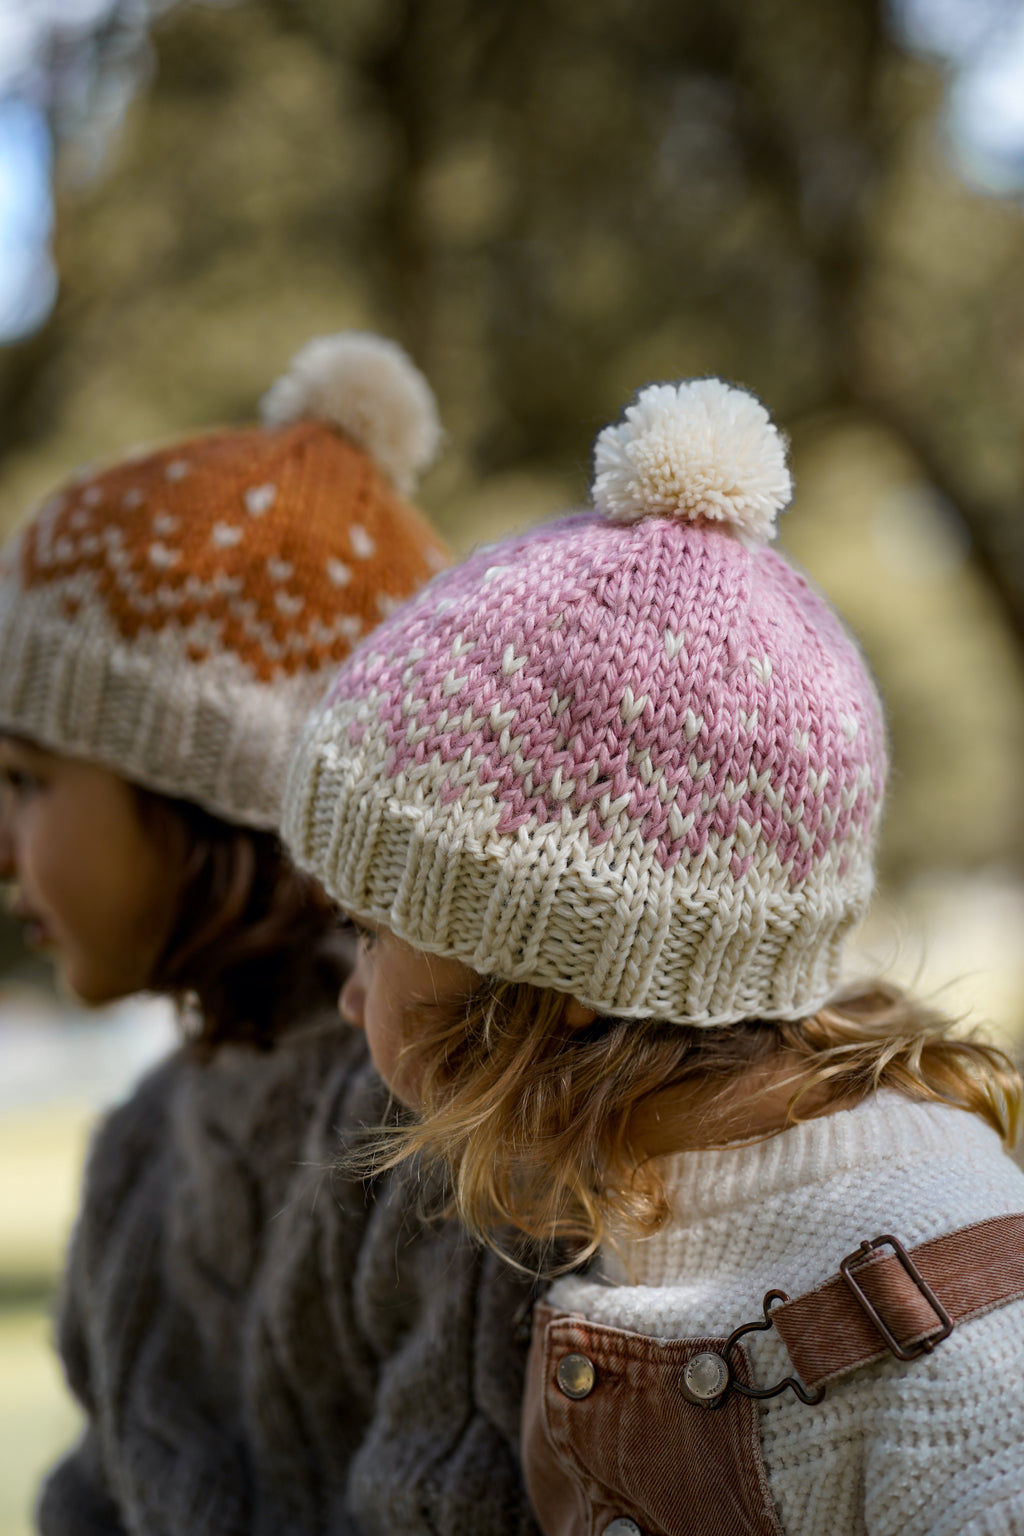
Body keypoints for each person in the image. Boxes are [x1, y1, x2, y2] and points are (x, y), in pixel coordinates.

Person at [282, 375, 1024, 1536]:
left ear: (563, 982)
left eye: (373, 931)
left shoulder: (955, 1345)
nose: (346, 993)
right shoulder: (620, 1201)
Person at [0, 332, 540, 1536]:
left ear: (209, 787)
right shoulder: (140, 1156)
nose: (1, 847)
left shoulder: (436, 1141)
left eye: (28, 780)